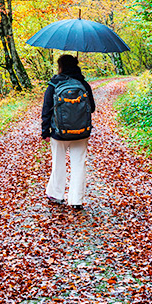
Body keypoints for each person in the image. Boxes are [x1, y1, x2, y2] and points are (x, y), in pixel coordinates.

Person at [41, 53, 95, 210]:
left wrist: (45, 131)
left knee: (58, 163)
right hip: (81, 132)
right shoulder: (83, 84)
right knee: (79, 164)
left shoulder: (54, 84)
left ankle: (56, 195)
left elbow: (46, 109)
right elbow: (91, 108)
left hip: (58, 132)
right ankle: (76, 200)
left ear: (61, 66)